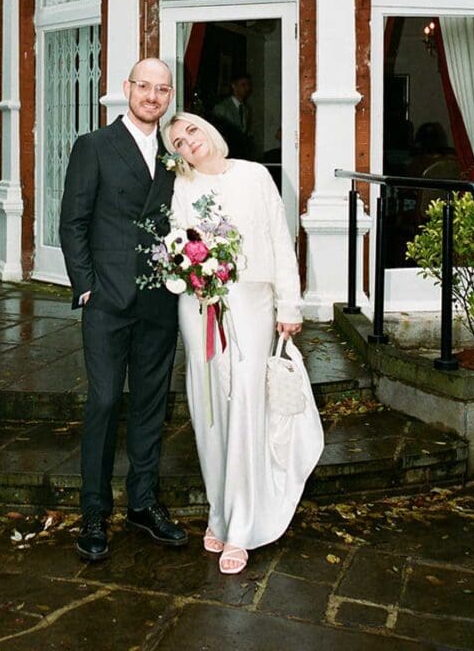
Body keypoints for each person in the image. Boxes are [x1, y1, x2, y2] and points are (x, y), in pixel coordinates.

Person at [162, 111, 321, 575]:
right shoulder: (182, 188)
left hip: (251, 306)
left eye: (191, 130)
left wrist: (290, 306)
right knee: (208, 407)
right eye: (176, 141)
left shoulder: (254, 176)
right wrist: (189, 269)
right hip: (198, 307)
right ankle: (219, 511)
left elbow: (278, 239)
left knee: (245, 406)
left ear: (208, 131)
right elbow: (176, 242)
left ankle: (244, 524)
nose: (187, 142)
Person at [59, 58, 188, 562]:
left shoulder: (177, 153)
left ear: (169, 96)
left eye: (161, 89)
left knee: (151, 407)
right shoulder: (94, 146)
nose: (152, 96)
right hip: (108, 301)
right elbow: (73, 222)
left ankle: (142, 503)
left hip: (160, 301)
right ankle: (94, 510)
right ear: (126, 88)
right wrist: (86, 287)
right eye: (144, 86)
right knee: (106, 401)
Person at [213, 73, 253, 158]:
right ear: (234, 86)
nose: (247, 88)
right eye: (243, 85)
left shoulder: (246, 109)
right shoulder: (222, 108)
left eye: (248, 85)